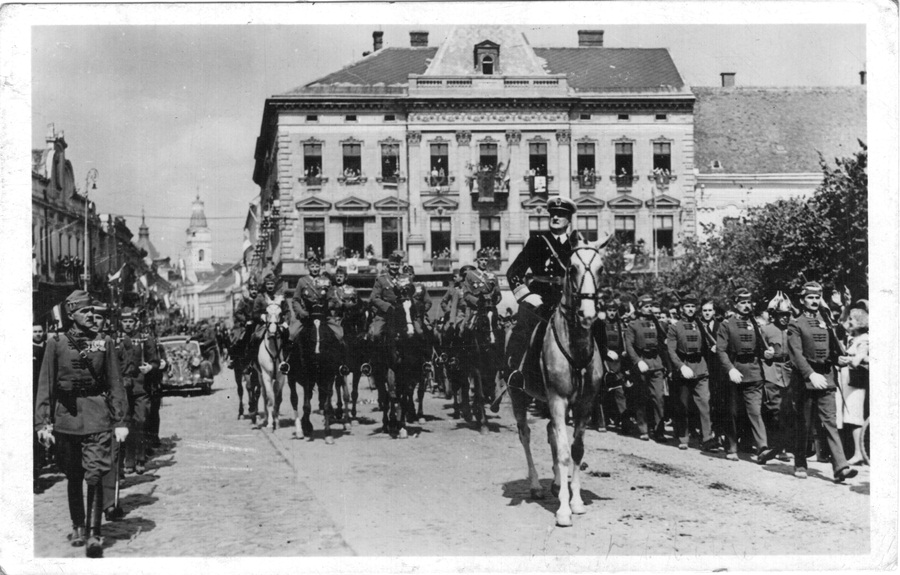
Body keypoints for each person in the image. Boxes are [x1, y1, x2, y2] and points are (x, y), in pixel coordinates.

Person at [34, 290, 128, 558]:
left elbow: (115, 383)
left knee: (95, 474)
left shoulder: (104, 342)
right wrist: (43, 422)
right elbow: (46, 385)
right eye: (85, 311)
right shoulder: (57, 343)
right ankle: (77, 524)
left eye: (93, 312)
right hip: (66, 418)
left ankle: (94, 533)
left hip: (97, 416)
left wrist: (120, 419)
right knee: (73, 474)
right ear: (71, 314)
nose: (91, 315)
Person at [504, 196, 579, 390]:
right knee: (523, 329)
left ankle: (607, 372)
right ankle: (516, 373)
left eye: (561, 214)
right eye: (553, 213)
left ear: (569, 219)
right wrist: (527, 296)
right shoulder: (537, 242)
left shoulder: (576, 246)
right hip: (540, 300)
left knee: (595, 323)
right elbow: (513, 272)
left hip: (568, 301)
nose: (556, 217)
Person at [787, 281, 858, 482]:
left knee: (830, 423)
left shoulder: (826, 321)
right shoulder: (796, 323)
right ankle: (800, 462)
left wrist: (838, 359)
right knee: (804, 423)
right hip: (805, 380)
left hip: (826, 378)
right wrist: (810, 374)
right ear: (802, 300)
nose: (814, 301)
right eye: (810, 297)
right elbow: (796, 355)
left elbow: (831, 350)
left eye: (817, 297)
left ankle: (840, 467)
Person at [716, 287, 769, 461]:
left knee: (755, 411)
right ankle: (731, 447)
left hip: (753, 372)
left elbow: (761, 347)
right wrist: (730, 369)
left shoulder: (756, 324)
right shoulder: (726, 324)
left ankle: (762, 447)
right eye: (743, 302)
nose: (747, 306)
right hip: (735, 371)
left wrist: (767, 354)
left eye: (749, 302)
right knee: (732, 412)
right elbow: (721, 350)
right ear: (735, 304)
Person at [666, 293, 716, 451]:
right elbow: (671, 351)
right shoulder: (675, 327)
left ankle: (707, 438)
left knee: (705, 403)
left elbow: (708, 342)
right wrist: (680, 366)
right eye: (687, 306)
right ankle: (683, 437)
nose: (690, 309)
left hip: (700, 368)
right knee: (683, 405)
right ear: (682, 308)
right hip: (684, 368)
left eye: (693, 306)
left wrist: (714, 347)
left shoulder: (700, 324)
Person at [115, 307, 160, 476]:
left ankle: (140, 459)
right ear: (121, 322)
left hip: (141, 387)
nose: (127, 325)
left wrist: (150, 367)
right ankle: (129, 460)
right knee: (125, 423)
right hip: (122, 388)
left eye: (130, 322)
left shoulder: (144, 338)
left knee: (140, 421)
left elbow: (155, 361)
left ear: (136, 322)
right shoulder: (116, 339)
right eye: (125, 321)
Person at [756, 292, 795, 463]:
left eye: (787, 314)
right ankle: (775, 445)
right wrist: (765, 354)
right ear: (775, 315)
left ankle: (784, 446)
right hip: (771, 369)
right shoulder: (765, 329)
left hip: (788, 370)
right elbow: (756, 349)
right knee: (775, 409)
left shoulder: (793, 329)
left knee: (788, 410)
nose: (785, 318)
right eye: (782, 315)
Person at [624, 294, 669, 441]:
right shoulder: (633, 324)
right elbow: (629, 345)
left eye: (651, 306)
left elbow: (663, 344)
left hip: (656, 363)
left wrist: (666, 365)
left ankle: (659, 430)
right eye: (646, 306)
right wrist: (637, 361)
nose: (649, 309)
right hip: (642, 362)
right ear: (640, 308)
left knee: (659, 397)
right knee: (641, 398)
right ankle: (643, 428)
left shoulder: (658, 324)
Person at [593, 299, 632, 433]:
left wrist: (623, 353)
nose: (611, 313)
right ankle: (601, 421)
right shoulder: (599, 324)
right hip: (602, 360)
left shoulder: (620, 324)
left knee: (619, 391)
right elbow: (596, 342)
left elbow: (623, 342)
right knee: (601, 393)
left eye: (614, 310)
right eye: (609, 310)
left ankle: (625, 422)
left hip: (617, 361)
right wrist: (606, 352)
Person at [838, 306, 869, 465]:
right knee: (848, 416)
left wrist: (848, 360)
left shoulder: (864, 339)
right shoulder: (853, 338)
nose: (848, 322)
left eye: (851, 319)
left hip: (856, 381)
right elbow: (841, 323)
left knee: (855, 416)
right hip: (848, 381)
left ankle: (858, 453)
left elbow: (857, 361)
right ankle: (852, 451)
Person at [291, 254, 342, 342]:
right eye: (312, 266)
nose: (315, 269)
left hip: (324, 315)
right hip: (307, 314)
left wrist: (325, 307)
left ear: (321, 267)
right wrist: (301, 312)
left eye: (317, 266)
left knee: (339, 334)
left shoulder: (326, 280)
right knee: (292, 333)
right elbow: (296, 300)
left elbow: (332, 299)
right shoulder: (302, 281)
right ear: (308, 267)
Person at [251, 269, 290, 373]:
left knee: (288, 337)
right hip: (264, 324)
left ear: (275, 285)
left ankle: (286, 361)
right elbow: (254, 313)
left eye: (272, 284)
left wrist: (286, 321)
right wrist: (261, 317)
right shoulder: (260, 297)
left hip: (278, 323)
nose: (270, 286)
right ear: (265, 284)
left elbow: (287, 311)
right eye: (268, 284)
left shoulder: (280, 297)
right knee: (255, 338)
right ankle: (253, 362)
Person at [369, 250, 407, 342]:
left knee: (407, 334)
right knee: (376, 334)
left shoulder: (404, 278)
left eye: (397, 264)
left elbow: (409, 294)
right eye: (393, 264)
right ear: (388, 265)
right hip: (384, 313)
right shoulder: (381, 279)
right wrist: (387, 307)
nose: (395, 267)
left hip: (399, 312)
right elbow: (374, 297)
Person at [462, 249, 502, 332]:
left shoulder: (493, 276)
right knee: (467, 330)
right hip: (476, 309)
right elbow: (466, 294)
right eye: (481, 260)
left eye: (486, 260)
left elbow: (498, 294)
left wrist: (494, 300)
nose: (484, 262)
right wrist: (477, 301)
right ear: (477, 260)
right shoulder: (470, 275)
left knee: (501, 329)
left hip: (490, 307)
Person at [34, 320, 47, 493]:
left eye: (39, 331)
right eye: (34, 331)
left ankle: (36, 475)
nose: (37, 334)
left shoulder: (47, 348)